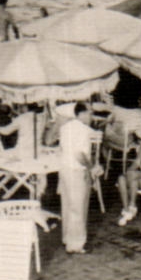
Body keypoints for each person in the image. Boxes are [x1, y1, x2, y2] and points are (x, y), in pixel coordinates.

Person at [57, 102, 98, 255]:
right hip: (76, 170)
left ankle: (67, 238)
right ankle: (76, 244)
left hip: (65, 170)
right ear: (81, 114)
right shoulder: (84, 130)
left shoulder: (65, 127)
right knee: (78, 208)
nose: (91, 116)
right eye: (90, 112)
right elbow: (80, 154)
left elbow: (62, 149)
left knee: (67, 205)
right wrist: (90, 167)